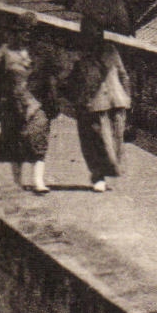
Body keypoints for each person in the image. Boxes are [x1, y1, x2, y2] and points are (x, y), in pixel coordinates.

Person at [62, 16, 132, 192]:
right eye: (89, 32)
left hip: (116, 101)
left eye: (97, 31)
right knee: (97, 142)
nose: (95, 35)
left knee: (116, 142)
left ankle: (105, 173)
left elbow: (123, 74)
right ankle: (97, 176)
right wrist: (79, 99)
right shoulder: (79, 54)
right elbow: (70, 80)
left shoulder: (110, 50)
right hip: (93, 104)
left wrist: (127, 98)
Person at [0, 12, 51, 194]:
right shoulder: (5, 52)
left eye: (31, 32)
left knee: (38, 138)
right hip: (11, 102)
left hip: (36, 103)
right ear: (16, 32)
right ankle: (17, 181)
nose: (27, 35)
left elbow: (50, 76)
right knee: (15, 142)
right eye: (24, 31)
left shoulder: (40, 52)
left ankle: (38, 180)